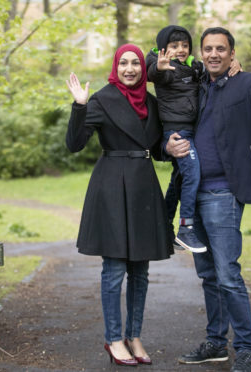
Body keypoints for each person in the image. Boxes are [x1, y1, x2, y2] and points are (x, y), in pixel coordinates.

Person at [166, 28, 251, 372]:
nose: (213, 54)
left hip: (224, 192)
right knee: (208, 275)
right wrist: (167, 147)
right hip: (191, 194)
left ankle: (247, 349)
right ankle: (215, 343)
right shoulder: (193, 83)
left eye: (220, 49)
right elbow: (170, 118)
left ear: (231, 53)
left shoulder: (248, 84)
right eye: (207, 48)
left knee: (226, 274)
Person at [65, 44, 173, 367]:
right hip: (112, 187)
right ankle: (113, 338)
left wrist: (173, 146)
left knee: (140, 271)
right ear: (116, 66)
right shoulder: (101, 99)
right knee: (114, 270)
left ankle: (134, 335)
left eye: (135, 63)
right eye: (123, 63)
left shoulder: (151, 104)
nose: (129, 69)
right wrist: (79, 106)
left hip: (143, 187)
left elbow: (157, 149)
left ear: (143, 68)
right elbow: (74, 144)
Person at [145, 25, 241, 253]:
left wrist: (234, 66)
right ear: (163, 49)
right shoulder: (163, 66)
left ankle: (163, 227)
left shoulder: (192, 67)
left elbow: (212, 74)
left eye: (185, 45)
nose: (180, 50)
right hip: (178, 133)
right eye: (174, 46)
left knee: (177, 180)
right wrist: (158, 67)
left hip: (191, 131)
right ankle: (186, 228)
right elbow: (155, 74)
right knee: (192, 175)